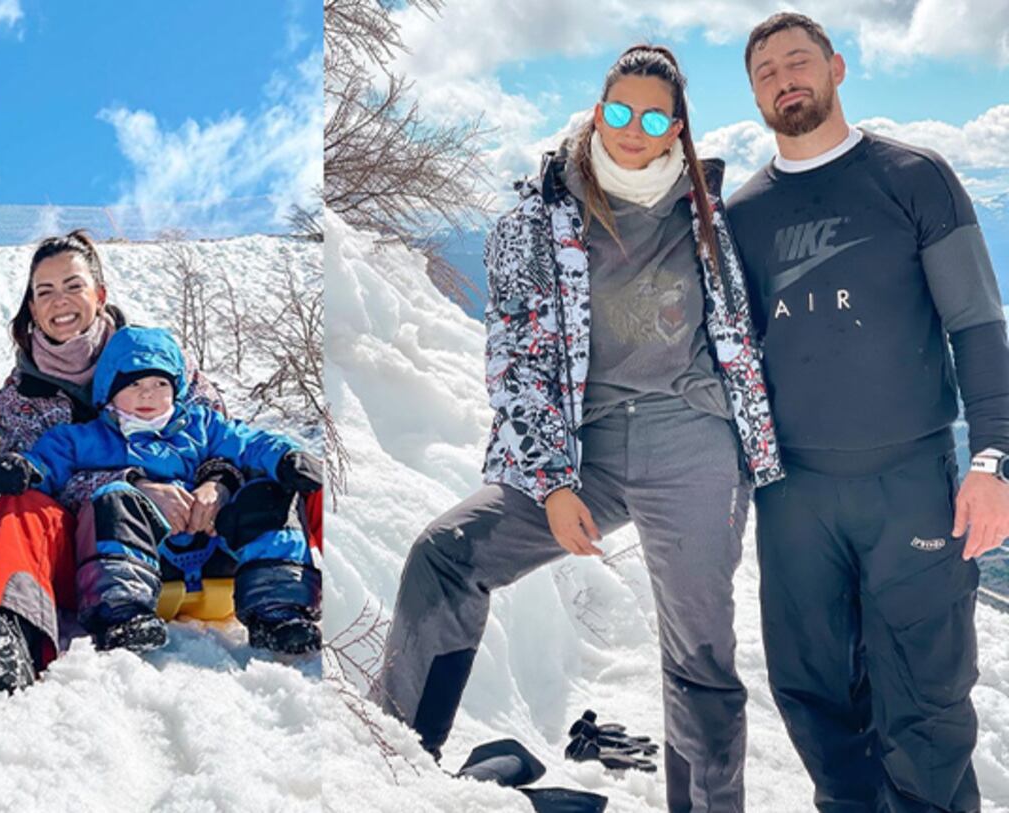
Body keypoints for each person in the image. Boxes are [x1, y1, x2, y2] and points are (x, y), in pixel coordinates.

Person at [370, 45, 782, 813]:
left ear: (676, 129)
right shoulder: (536, 219)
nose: (633, 127)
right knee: (446, 554)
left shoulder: (712, 213)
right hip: (584, 447)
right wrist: (554, 482)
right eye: (619, 110)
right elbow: (517, 363)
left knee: (699, 652)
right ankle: (393, 766)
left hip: (693, 439)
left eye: (653, 116)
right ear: (599, 112)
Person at [727, 13, 1009, 812]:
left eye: (798, 61)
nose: (785, 77)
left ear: (837, 68)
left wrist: (992, 459)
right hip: (794, 494)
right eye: (765, 71)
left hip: (910, 481)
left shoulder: (913, 177)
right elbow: (732, 358)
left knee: (926, 703)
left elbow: (978, 323)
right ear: (752, 95)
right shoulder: (744, 215)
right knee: (812, 695)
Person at [0, 230, 317, 693]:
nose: (61, 300)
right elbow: (37, 471)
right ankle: (11, 629)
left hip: (206, 525)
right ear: (32, 308)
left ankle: (309, 595)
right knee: (21, 505)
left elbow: (224, 435)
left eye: (73, 285)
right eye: (45, 291)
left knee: (293, 478)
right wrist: (134, 483)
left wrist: (216, 483)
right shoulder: (22, 396)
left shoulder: (156, 356)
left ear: (100, 294)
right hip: (99, 541)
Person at [0, 326, 322, 656]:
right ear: (108, 391)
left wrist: (286, 457)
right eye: (135, 384)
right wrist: (25, 469)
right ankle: (121, 612)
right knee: (113, 498)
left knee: (269, 492)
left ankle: (279, 608)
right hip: (149, 560)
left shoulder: (202, 424)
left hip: (216, 549)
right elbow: (49, 461)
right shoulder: (89, 437)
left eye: (160, 383)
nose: (148, 394)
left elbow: (251, 442)